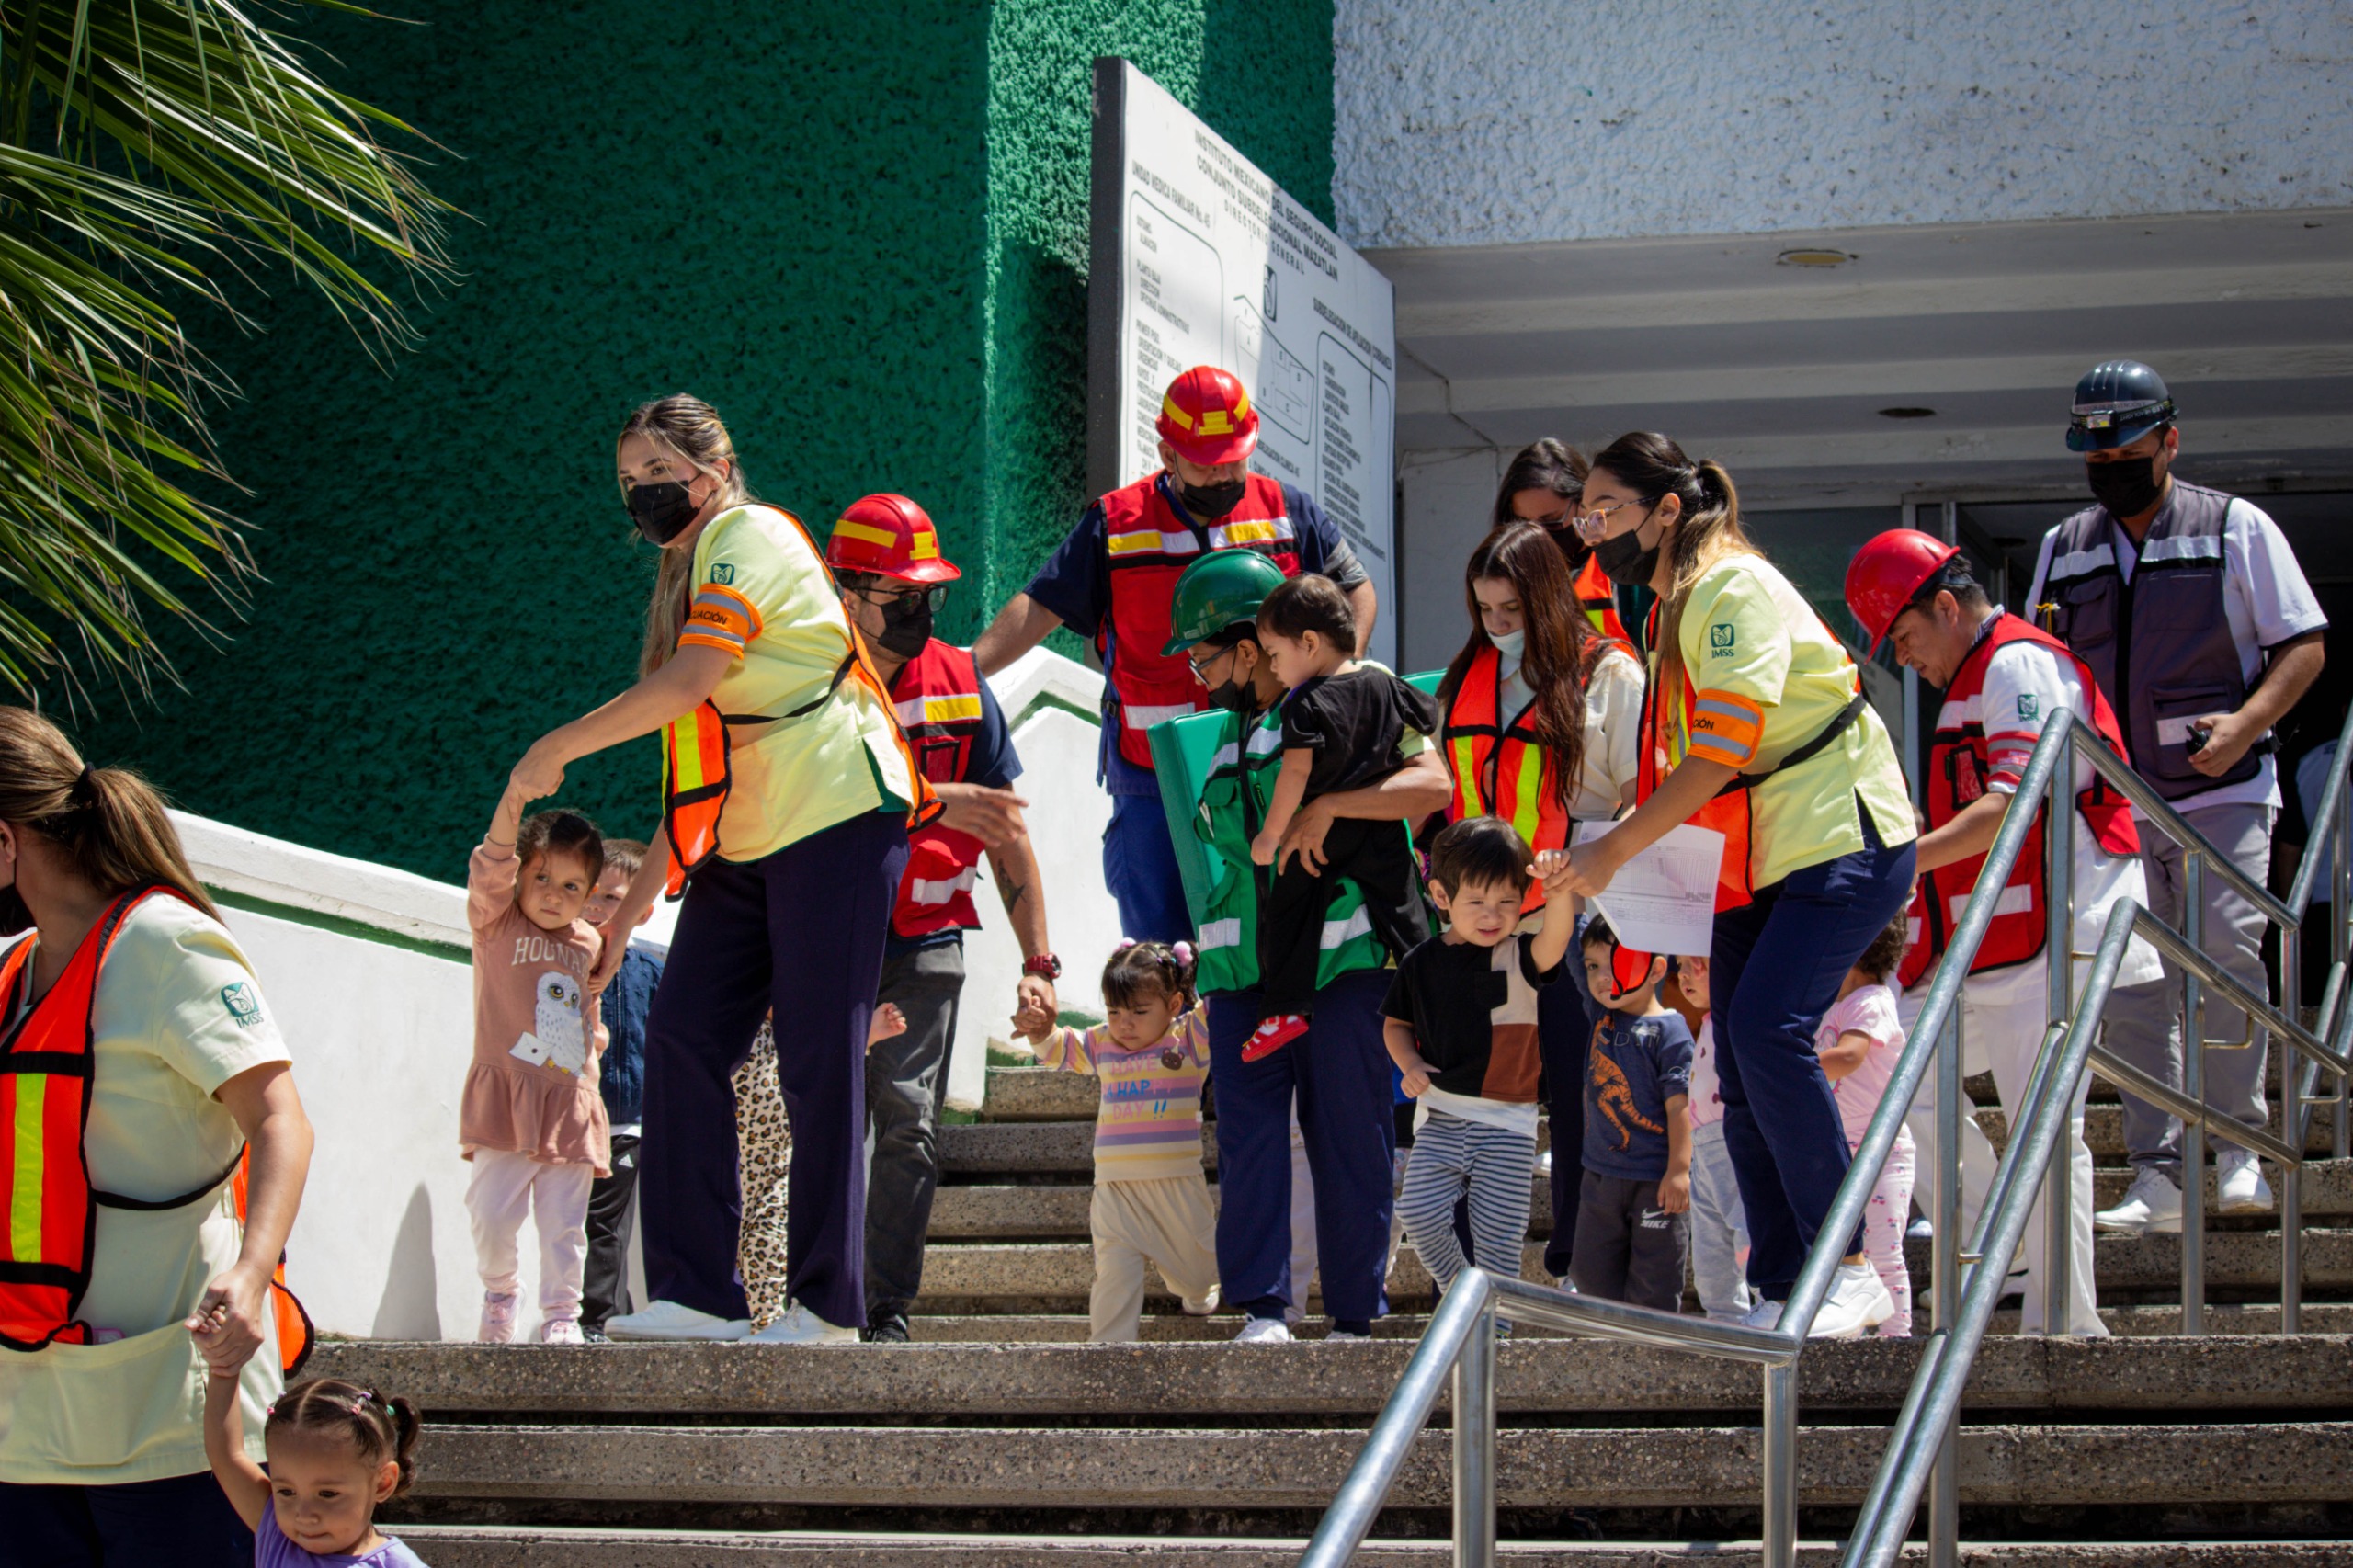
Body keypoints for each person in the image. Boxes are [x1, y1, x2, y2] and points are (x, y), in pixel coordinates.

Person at [517, 395, 933, 1348]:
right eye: (628, 481)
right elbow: (697, 774)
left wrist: (556, 747)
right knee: (684, 1035)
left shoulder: (748, 534)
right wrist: (626, 917)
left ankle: (829, 1306)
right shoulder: (689, 573)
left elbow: (689, 685)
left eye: (658, 474)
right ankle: (698, 1293)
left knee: (818, 1055)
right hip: (747, 835)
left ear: (713, 471)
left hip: (835, 809)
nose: (643, 494)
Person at [1556, 432, 1917, 1340]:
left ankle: (1848, 1265)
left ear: (1666, 509)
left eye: (1604, 510)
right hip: (1763, 856)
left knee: (1765, 1030)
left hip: (1841, 835)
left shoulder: (1729, 587)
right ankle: (1791, 1282)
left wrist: (1615, 851)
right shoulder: (1672, 605)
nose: (1593, 531)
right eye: (1584, 515)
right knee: (1738, 1057)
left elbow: (1720, 750)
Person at [0, 710, 314, 1565]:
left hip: (174, 1421)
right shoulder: (12, 971)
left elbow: (281, 1118)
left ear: (5, 839)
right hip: (27, 1429)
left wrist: (252, 1273)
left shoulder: (165, 945)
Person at [2028, 361, 2328, 1231]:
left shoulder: (2235, 526)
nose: (2109, 466)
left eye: (2125, 450)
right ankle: (2156, 1175)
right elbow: (2041, 666)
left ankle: (2241, 1149)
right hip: (2112, 805)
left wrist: (2245, 723)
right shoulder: (2063, 546)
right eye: (2095, 455)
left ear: (2169, 441)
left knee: (2227, 960)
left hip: (2220, 791)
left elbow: (2303, 645)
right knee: (2130, 984)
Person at [1847, 530, 2164, 1335]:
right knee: (1893, 1073)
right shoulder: (1977, 671)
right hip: (1997, 936)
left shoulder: (2017, 661)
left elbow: (2013, 803)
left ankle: (2064, 1322)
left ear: (1946, 606)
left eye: (1904, 637)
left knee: (2043, 1126)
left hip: (2058, 924)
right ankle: (2006, 1242)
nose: (1903, 658)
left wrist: (1897, 864)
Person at [972, 365, 1377, 944]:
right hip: (1153, 777)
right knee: (1161, 949)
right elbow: (1040, 608)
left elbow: (1356, 590)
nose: (1223, 475)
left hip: (1270, 762)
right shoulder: (1115, 523)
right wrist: (963, 671)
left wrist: (1339, 681)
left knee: (1270, 932)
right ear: (1167, 454)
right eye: (1206, 464)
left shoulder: (1287, 510)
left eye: (1234, 460)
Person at [1159, 550, 1452, 1344]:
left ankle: (1354, 1313)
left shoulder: (1359, 695)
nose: (1198, 676)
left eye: (1204, 657)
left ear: (1254, 648)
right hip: (1241, 975)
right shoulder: (1223, 734)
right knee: (1250, 1142)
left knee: (1351, 1137)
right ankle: (1262, 1307)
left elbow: (1432, 787)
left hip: (1340, 966)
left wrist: (1331, 808)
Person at [824, 492, 1058, 1343]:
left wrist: (1040, 963)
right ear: (847, 592)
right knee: (821, 1116)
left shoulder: (961, 683)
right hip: (824, 940)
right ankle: (812, 1295)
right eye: (903, 594)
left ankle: (882, 1309)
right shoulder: (805, 677)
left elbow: (1004, 831)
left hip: (926, 938)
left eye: (931, 593)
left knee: (909, 1123)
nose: (922, 610)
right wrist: (931, 800)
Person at [1435, 521, 1643, 1280]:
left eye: (1512, 610)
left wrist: (1591, 874)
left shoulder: (1610, 674)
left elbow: (1640, 797)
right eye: (1485, 609)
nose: (1498, 626)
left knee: (1582, 1095)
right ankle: (1473, 1274)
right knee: (1479, 1100)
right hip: (1483, 924)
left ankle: (1580, 1261)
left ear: (1550, 598)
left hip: (1577, 917)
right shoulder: (1464, 677)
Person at [1384, 818, 1574, 1309]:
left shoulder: (1522, 954)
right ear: (1441, 897)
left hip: (1508, 1124)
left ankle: (1497, 1327)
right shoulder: (1420, 962)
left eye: (1507, 902)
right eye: (1476, 902)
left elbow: (1557, 938)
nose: (1492, 915)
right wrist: (1410, 1064)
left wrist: (1557, 888)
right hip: (1440, 1115)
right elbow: (1396, 1024)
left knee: (1498, 1240)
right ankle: (1465, 1301)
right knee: (1418, 1214)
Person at [1247, 574, 1438, 1059]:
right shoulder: (1383, 682)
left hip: (1321, 838)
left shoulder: (1303, 702)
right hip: (1383, 832)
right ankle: (1434, 1001)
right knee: (1406, 913)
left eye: (1274, 653)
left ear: (1309, 643)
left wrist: (1271, 835)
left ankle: (1285, 1009)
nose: (1273, 666)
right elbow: (1427, 714)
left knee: (1290, 909)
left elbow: (1295, 773)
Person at [461, 799, 610, 1346]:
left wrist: (592, 1062)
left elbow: (587, 1013)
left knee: (564, 1226)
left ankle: (561, 1315)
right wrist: (516, 794)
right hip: (506, 1093)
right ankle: (501, 1291)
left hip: (570, 1099)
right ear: (520, 875)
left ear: (589, 895)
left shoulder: (589, 943)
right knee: (490, 1214)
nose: (553, 895)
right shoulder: (496, 922)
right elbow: (490, 863)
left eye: (572, 886)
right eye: (542, 878)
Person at [1017, 942, 1219, 1342]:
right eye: (1114, 1011)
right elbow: (1059, 1049)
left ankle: (1199, 1292)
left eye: (1139, 1012)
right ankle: (1108, 1348)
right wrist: (1038, 1030)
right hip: (1114, 1189)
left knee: (1199, 1273)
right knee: (1113, 1272)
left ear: (1174, 1004)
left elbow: (1220, 1004)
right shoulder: (1101, 1042)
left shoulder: (1188, 1038)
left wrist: (1207, 955)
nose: (1124, 1024)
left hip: (1176, 1185)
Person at [1569, 919, 1692, 1312]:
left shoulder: (1671, 1032)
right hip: (1600, 1176)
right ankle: (1606, 1344)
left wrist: (1679, 1170)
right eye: (1593, 967)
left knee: (1655, 1284)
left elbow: (1680, 1105)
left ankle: (1648, 1347)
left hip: (1656, 1182)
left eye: (1616, 966)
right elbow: (1571, 931)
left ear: (1656, 970)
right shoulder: (1600, 1013)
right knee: (1589, 1274)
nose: (1602, 978)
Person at [1813, 915, 1915, 1339]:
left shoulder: (1872, 1000)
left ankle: (1897, 1342)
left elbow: (1850, 1055)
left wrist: (1791, 1068)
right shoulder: (1833, 1005)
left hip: (1880, 1151)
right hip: (1840, 1148)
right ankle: (1853, 1337)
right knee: (1841, 1255)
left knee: (1883, 1254)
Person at [199, 1376, 426, 1567]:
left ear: (382, 1483)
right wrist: (223, 1372)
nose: (305, 1516)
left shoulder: (397, 1564)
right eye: (287, 1492)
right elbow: (226, 1455)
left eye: (327, 1494)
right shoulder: (276, 1534)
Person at [580, 842, 660, 1340]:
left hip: (625, 1123)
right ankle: (600, 1313)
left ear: (642, 911)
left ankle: (599, 1321)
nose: (595, 906)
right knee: (572, 1223)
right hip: (568, 1119)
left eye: (611, 898)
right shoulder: (557, 961)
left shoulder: (649, 973)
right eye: (589, 892)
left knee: (607, 1225)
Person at [1492, 438, 1639, 645]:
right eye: (1524, 525)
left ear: (1584, 505)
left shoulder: (1622, 574)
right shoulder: (1504, 583)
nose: (1538, 536)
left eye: (1551, 521)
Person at [1676, 955, 1753, 1323]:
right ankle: (1723, 1320)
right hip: (1702, 1152)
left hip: (1731, 1142)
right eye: (1679, 965)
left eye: (1697, 963)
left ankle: (1770, 1302)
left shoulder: (1736, 1017)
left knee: (1747, 1235)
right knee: (1709, 1256)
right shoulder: (1705, 1023)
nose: (1684, 974)